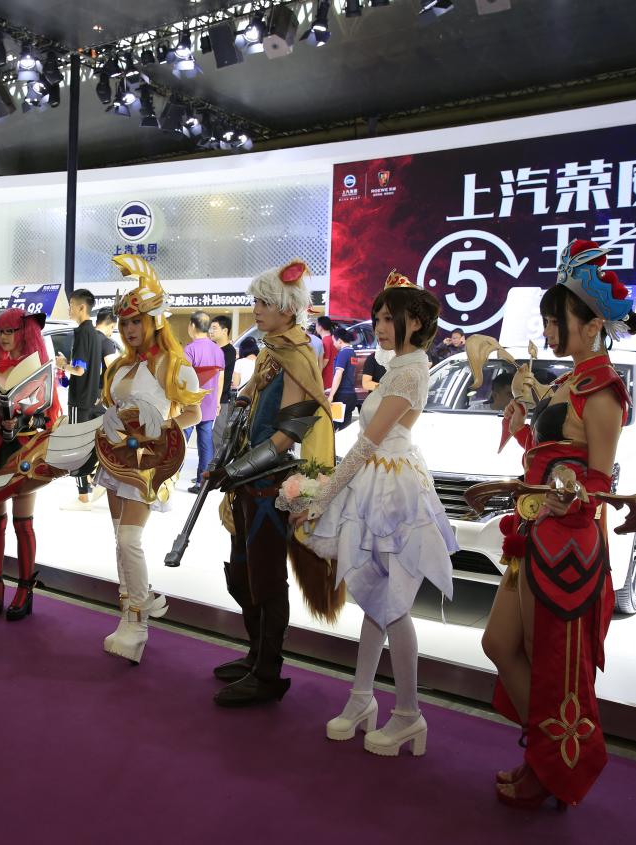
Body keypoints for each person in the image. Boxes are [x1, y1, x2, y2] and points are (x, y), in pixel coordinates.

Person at [482, 239, 636, 810]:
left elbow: (598, 480)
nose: (549, 331)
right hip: (534, 535)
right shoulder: (569, 382)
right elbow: (550, 455)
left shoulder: (602, 391)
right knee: (500, 643)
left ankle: (546, 768)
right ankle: (546, 757)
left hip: (566, 544)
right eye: (548, 321)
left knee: (551, 664)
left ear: (593, 325)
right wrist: (523, 429)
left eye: (559, 321)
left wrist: (563, 496)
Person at [288, 271, 456, 757]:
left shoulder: (410, 371)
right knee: (377, 600)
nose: (379, 326)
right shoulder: (401, 365)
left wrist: (322, 496)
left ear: (415, 322)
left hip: (392, 491)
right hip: (381, 482)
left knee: (394, 605)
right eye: (378, 317)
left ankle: (408, 713)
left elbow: (366, 444)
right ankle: (362, 698)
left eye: (388, 318)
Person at [210, 259, 344, 707]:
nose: (257, 309)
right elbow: (246, 409)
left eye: (264, 302)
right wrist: (224, 459)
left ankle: (268, 672)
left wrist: (234, 470)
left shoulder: (298, 354)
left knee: (266, 581)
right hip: (246, 483)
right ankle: (255, 656)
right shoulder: (271, 351)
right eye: (257, 301)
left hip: (270, 486)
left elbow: (287, 435)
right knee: (241, 577)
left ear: (288, 308)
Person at [96, 256, 205, 663]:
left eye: (136, 321)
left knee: (130, 539)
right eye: (124, 322)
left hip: (147, 464)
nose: (129, 330)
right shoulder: (123, 364)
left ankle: (139, 624)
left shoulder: (172, 364)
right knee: (119, 540)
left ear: (154, 320)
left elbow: (194, 413)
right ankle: (128, 615)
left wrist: (162, 427)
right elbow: (114, 407)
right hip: (114, 457)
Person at [0, 308, 61, 621]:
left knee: (22, 522)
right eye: (0, 332)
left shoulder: (39, 370)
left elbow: (48, 416)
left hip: (24, 450)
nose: (4, 337)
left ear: (24, 332)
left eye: (10, 331)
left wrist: (20, 422)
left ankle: (25, 590)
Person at [58, 288, 116, 509]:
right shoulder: (95, 334)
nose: (69, 309)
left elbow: (80, 370)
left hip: (79, 400)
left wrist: (63, 365)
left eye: (71, 305)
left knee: (77, 448)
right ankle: (100, 479)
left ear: (82, 307)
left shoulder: (82, 332)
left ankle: (83, 497)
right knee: (93, 444)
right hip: (94, 400)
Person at [183, 311, 225, 494]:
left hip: (190, 405)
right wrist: (217, 401)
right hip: (209, 404)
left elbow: (183, 378)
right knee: (206, 443)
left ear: (192, 326)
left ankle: (170, 477)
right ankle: (202, 483)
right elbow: (221, 378)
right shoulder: (217, 350)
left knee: (180, 442)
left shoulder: (190, 349)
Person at [328, 326, 359, 430]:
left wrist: (331, 395)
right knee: (345, 427)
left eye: (334, 341)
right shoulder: (352, 353)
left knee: (334, 427)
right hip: (350, 395)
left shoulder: (343, 353)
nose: (333, 344)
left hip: (341, 397)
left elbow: (338, 374)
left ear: (340, 341)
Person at [209, 315, 237, 405]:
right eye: (210, 328)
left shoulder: (230, 351)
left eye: (214, 328)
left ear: (225, 331)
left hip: (220, 401)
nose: (211, 331)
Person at [316, 316, 337, 387]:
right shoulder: (333, 339)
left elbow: (325, 360)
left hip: (326, 377)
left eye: (316, 325)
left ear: (320, 327)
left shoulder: (325, 341)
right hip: (333, 376)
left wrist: (317, 373)